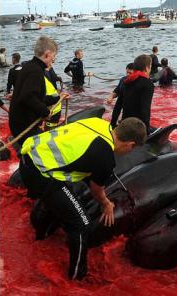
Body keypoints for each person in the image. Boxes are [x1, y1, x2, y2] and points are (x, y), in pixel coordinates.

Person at [20, 117, 147, 280]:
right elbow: (96, 189)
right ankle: (77, 276)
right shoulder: (105, 156)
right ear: (130, 144)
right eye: (132, 149)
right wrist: (106, 204)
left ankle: (41, 239)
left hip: (28, 157)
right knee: (81, 224)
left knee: (62, 203)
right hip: (40, 174)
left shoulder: (98, 123)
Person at [9, 36, 70, 147]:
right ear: (47, 54)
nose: (54, 60)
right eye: (54, 56)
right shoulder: (35, 71)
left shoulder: (29, 66)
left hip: (19, 122)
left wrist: (58, 97)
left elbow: (36, 97)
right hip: (24, 125)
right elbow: (27, 97)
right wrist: (45, 112)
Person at [120, 54, 156, 134]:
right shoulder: (148, 83)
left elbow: (118, 104)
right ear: (147, 68)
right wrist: (146, 130)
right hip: (137, 126)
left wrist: (112, 124)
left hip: (125, 122)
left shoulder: (125, 81)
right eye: (150, 66)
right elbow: (145, 109)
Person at [108, 63, 134, 128]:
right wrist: (111, 97)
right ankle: (113, 125)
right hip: (121, 100)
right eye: (127, 72)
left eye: (130, 73)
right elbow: (117, 90)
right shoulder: (123, 79)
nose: (128, 74)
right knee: (116, 111)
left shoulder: (139, 81)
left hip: (131, 105)